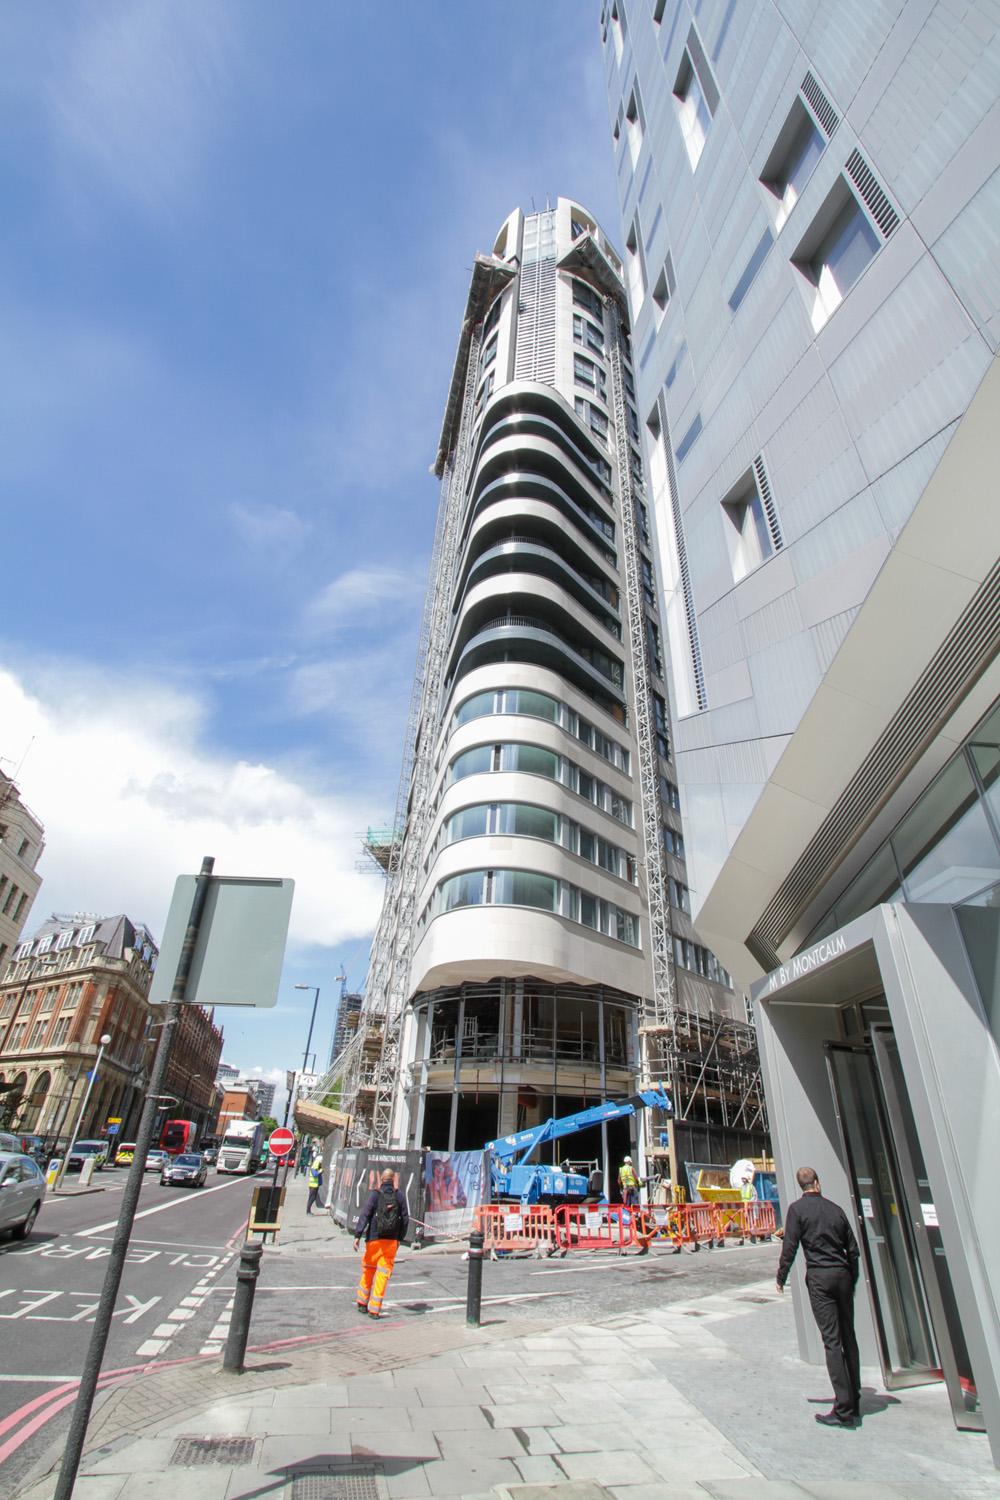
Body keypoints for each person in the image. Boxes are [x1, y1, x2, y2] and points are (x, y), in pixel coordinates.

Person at [776, 1166, 862, 1428]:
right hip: (842, 1275)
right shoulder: (836, 1209)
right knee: (849, 1337)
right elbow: (853, 1249)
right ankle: (854, 1397)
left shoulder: (797, 1211)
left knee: (832, 1341)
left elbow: (790, 1246)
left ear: (800, 1185)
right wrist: (852, 1278)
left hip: (819, 1278)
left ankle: (844, 1409)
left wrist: (781, 1276)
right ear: (817, 1183)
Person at [354, 1166, 409, 1319]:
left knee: (368, 1270)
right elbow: (405, 1219)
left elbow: (365, 1214)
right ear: (393, 1180)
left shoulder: (375, 1195)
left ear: (381, 1180)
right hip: (391, 1241)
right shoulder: (399, 1196)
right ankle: (374, 1309)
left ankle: (362, 1302)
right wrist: (399, 1239)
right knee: (382, 1275)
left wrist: (357, 1235)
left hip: (374, 1239)